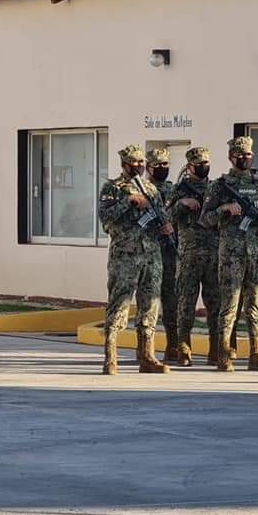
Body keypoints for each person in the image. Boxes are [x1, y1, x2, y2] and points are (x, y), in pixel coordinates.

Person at [200, 136, 258, 372]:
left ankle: (256, 353)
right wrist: (224, 209)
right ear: (231, 157)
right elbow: (205, 219)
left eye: (248, 154)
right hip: (231, 255)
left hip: (257, 254)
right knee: (230, 304)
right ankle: (224, 353)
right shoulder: (220, 186)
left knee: (255, 305)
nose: (244, 158)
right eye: (240, 155)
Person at [96, 145, 171, 375]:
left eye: (141, 162)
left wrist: (166, 227)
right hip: (126, 256)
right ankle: (111, 356)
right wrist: (128, 201)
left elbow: (161, 216)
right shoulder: (113, 188)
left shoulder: (150, 188)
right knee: (119, 303)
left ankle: (147, 356)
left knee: (150, 305)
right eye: (134, 162)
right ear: (124, 164)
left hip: (151, 255)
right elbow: (105, 218)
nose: (138, 166)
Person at [167, 147, 220, 366]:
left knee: (215, 304)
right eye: (199, 164)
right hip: (189, 253)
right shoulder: (179, 189)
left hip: (214, 253)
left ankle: (215, 348)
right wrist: (182, 203)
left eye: (206, 163)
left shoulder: (216, 188)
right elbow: (166, 217)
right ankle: (183, 347)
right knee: (186, 303)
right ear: (189, 166)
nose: (203, 167)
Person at [147, 148, 178, 363]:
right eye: (157, 165)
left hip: (170, 252)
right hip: (149, 251)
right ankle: (146, 346)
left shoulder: (174, 190)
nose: (162, 168)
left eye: (165, 164)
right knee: (148, 301)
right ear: (149, 168)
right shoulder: (142, 190)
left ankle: (173, 345)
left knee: (171, 300)